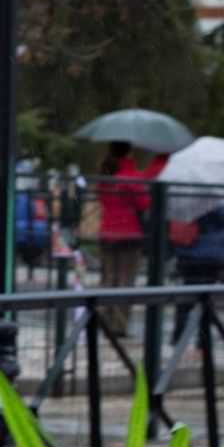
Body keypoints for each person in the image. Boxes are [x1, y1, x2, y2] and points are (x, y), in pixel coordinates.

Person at [93, 142, 150, 336]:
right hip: (129, 231)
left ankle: (106, 318)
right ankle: (120, 325)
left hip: (107, 230)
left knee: (110, 277)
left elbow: (101, 198)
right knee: (127, 280)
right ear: (129, 152)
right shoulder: (131, 176)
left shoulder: (106, 175)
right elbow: (144, 202)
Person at [171, 202, 224, 346]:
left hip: (187, 252)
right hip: (208, 254)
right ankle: (204, 339)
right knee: (205, 297)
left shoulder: (187, 201)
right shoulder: (212, 201)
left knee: (188, 294)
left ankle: (179, 334)